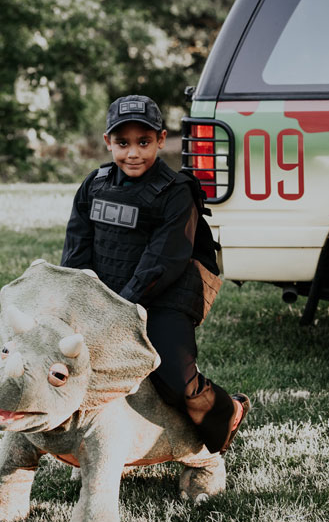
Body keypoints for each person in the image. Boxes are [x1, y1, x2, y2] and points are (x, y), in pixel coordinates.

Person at [61, 94, 249, 453]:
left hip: (165, 295)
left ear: (161, 140)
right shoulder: (94, 184)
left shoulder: (176, 191)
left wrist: (121, 310)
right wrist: (83, 303)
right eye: (123, 143)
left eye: (144, 143)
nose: (133, 153)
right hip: (110, 294)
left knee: (175, 381)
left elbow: (163, 259)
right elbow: (77, 247)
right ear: (108, 143)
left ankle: (229, 412)